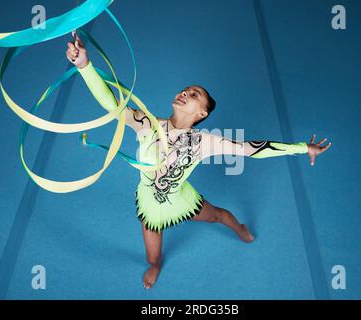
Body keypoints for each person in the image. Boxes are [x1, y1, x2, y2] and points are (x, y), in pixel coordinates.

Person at [66, 33, 332, 289]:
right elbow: (112, 104)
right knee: (151, 258)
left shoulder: (205, 142)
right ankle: (157, 266)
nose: (185, 92)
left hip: (182, 199)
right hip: (149, 204)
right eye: (185, 90)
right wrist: (85, 66)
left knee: (216, 215)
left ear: (201, 113)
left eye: (194, 94)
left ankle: (240, 228)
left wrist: (300, 148)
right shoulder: (146, 123)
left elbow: (252, 149)